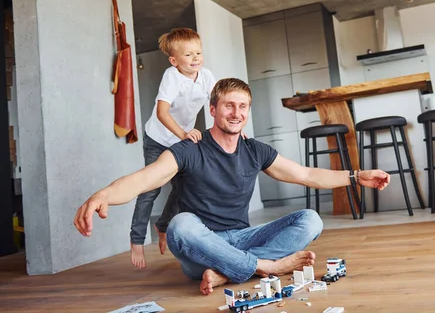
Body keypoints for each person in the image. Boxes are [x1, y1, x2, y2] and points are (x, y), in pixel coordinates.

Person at [74, 78, 390, 295]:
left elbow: (305, 175)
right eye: (228, 106)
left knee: (311, 219)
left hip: (241, 238)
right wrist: (103, 195)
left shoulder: (255, 150)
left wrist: (356, 176)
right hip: (202, 247)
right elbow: (145, 178)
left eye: (242, 107)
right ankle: (266, 265)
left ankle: (230, 271)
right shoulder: (190, 149)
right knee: (180, 225)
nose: (236, 113)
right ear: (213, 110)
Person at [129, 28, 216, 268]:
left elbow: (218, 102)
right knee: (150, 189)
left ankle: (163, 225)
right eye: (188, 55)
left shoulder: (206, 76)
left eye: (198, 52)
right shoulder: (172, 76)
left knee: (184, 187)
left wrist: (233, 129)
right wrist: (184, 134)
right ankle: (136, 240)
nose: (196, 58)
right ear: (174, 60)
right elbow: (162, 112)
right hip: (158, 138)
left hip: (180, 139)